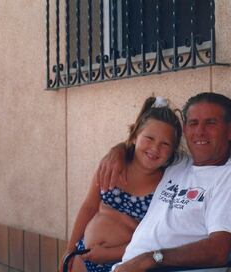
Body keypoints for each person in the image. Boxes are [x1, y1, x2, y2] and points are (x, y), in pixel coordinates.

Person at [95, 92, 231, 272]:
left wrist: (151, 258)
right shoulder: (179, 164)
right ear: (185, 130)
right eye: (193, 123)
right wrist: (118, 150)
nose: (200, 131)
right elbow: (146, 148)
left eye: (211, 123)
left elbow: (218, 251)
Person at [59, 97, 183, 272]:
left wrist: (109, 254)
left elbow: (155, 237)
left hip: (123, 264)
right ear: (134, 137)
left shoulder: (166, 185)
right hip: (83, 254)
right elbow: (89, 206)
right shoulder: (111, 168)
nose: (155, 148)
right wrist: (70, 249)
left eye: (165, 144)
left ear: (172, 151)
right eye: (149, 138)